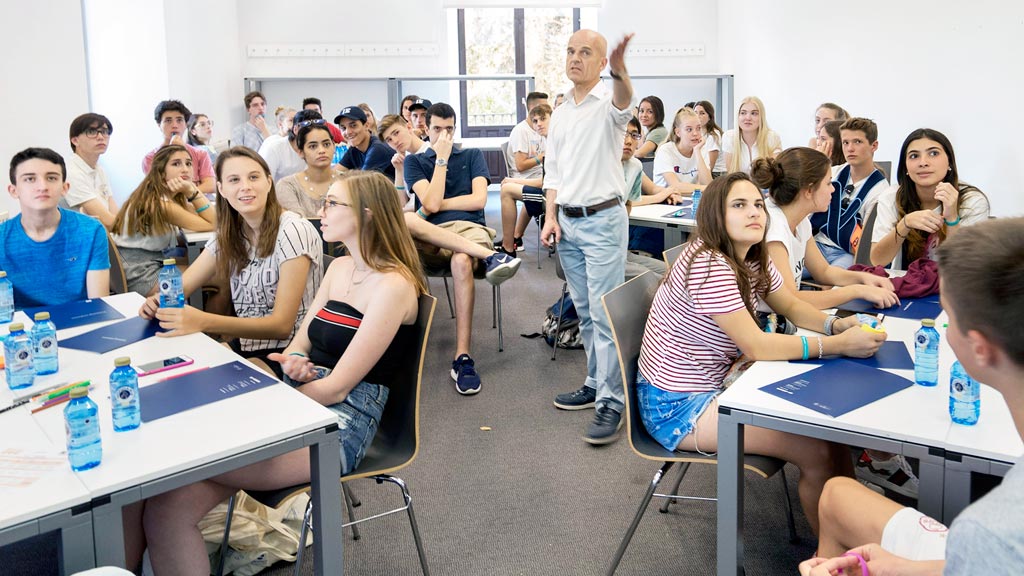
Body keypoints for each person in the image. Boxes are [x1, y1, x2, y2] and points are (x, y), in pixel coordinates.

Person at [142, 170, 425, 575]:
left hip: (342, 422)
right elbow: (297, 345)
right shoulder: (340, 268)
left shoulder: (393, 285)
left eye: (331, 203)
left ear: (366, 215)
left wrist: (271, 403)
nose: (320, 211)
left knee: (179, 463)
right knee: (166, 508)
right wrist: (292, 362)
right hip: (303, 393)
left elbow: (339, 388)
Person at [637, 172, 885, 534]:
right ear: (715, 216)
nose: (754, 213)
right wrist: (835, 346)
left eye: (757, 204)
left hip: (715, 385)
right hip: (677, 407)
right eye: (739, 205)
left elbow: (790, 305)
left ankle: (849, 541)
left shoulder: (752, 254)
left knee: (829, 438)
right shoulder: (710, 264)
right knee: (818, 449)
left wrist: (835, 327)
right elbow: (757, 345)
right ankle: (833, 556)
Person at [799, 217, 1024, 576]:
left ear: (980, 348)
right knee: (838, 494)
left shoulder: (987, 532)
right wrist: (900, 568)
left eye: (948, 315)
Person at [139, 147, 323, 377]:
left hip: (292, 354)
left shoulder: (293, 230)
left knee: (206, 385)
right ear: (221, 189)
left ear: (268, 182)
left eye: (253, 177)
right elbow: (181, 287)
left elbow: (281, 325)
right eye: (234, 180)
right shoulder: (231, 231)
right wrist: (157, 301)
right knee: (172, 375)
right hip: (248, 345)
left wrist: (203, 321)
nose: (245, 186)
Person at [541, 29, 636, 445]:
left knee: (604, 313)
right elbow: (554, 172)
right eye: (570, 51)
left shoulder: (609, 105)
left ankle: (612, 402)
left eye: (585, 53)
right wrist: (549, 216)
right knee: (584, 310)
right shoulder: (560, 110)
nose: (575, 58)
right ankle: (596, 382)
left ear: (601, 64)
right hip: (568, 223)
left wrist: (620, 69)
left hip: (602, 222)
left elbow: (624, 98)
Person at [404, 102, 517, 395]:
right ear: (425, 130)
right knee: (408, 221)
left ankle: (462, 357)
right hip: (431, 236)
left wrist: (438, 203)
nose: (445, 135)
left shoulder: (471, 155)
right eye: (438, 129)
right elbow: (428, 206)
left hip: (469, 233)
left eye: (450, 129)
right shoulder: (414, 162)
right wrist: (440, 162)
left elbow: (479, 201)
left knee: (462, 259)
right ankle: (493, 256)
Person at [376, 113, 522, 286]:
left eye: (396, 133)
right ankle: (492, 256)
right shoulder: (409, 161)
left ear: (410, 128)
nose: (394, 141)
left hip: (445, 223)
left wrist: (426, 208)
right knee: (393, 235)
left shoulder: (433, 153)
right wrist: (399, 173)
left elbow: (435, 203)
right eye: (389, 139)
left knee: (408, 226)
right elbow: (403, 205)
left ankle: (490, 255)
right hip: (426, 226)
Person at [750, 148, 899, 310]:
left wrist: (863, 278)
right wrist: (857, 291)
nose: (833, 189)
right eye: (828, 183)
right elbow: (791, 299)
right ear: (808, 190)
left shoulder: (800, 221)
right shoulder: (774, 228)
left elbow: (823, 271)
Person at [0, 148, 109, 307]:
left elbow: (98, 305)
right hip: (22, 328)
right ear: (14, 190)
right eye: (30, 179)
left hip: (81, 320)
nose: (42, 186)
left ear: (65, 188)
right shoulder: (2, 238)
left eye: (51, 178)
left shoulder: (91, 231)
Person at [870, 128, 990, 269]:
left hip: (953, 285)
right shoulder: (891, 196)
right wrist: (905, 224)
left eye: (933, 153)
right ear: (906, 167)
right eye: (914, 156)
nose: (923, 163)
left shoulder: (972, 201)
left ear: (949, 162)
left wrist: (951, 218)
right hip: (906, 284)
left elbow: (963, 265)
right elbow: (878, 260)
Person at [111, 145, 216, 295]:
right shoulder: (159, 204)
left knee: (210, 266)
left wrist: (191, 190)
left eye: (188, 163)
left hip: (149, 262)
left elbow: (212, 218)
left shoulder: (164, 196)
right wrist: (192, 191)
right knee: (220, 277)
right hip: (140, 273)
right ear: (161, 172)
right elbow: (214, 224)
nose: (185, 169)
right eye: (176, 163)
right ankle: (199, 317)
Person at [811, 117, 889, 269]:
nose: (850, 148)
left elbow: (866, 241)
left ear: (874, 146)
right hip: (816, 244)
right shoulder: (833, 173)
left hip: (846, 254)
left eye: (857, 142)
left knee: (833, 281)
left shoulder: (880, 191)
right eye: (846, 142)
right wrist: (816, 165)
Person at [497, 103, 551, 255]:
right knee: (514, 188)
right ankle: (516, 237)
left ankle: (508, 247)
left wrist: (512, 181)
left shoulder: (553, 144)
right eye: (535, 121)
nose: (539, 124)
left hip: (552, 196)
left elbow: (544, 183)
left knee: (507, 190)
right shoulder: (547, 140)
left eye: (543, 119)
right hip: (546, 187)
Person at [621, 117, 670, 278]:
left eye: (634, 135)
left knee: (675, 273)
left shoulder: (634, 166)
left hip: (621, 251)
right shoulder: (600, 165)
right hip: (600, 255)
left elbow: (629, 203)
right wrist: (660, 196)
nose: (628, 141)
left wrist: (667, 193)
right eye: (623, 134)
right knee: (666, 283)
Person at [143, 100, 215, 194]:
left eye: (179, 120)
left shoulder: (200, 154)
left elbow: (211, 185)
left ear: (186, 125)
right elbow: (159, 191)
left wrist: (189, 194)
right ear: (159, 125)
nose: (174, 125)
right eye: (168, 121)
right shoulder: (150, 158)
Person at [276, 121, 344, 216]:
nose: (321, 150)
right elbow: (297, 224)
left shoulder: (348, 181)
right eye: (313, 146)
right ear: (300, 152)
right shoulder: (288, 186)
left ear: (334, 147)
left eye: (326, 144)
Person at [63, 113, 118, 229]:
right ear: (75, 140)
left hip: (109, 234)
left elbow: (115, 214)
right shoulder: (71, 173)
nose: (101, 137)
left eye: (104, 132)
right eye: (92, 132)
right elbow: (107, 221)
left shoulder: (100, 170)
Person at [652, 107, 712, 194]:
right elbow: (675, 186)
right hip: (666, 203)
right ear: (678, 132)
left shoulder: (700, 149)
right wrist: (705, 188)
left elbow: (707, 183)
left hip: (690, 200)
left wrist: (697, 152)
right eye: (689, 129)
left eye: (698, 128)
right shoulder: (665, 151)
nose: (695, 133)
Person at [722, 96, 782, 174]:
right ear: (738, 116)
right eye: (743, 113)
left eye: (754, 113)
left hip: (765, 185)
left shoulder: (772, 138)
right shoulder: (729, 137)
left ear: (761, 117)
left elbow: (774, 174)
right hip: (739, 185)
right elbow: (731, 173)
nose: (748, 118)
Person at [335, 105, 396, 180]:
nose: (348, 132)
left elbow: (362, 183)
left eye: (353, 126)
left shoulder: (378, 148)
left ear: (366, 125)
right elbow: (335, 173)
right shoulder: (354, 149)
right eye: (343, 128)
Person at [260, 109, 320, 182]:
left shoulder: (317, 150)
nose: (313, 133)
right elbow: (264, 181)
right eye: (307, 128)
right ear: (295, 129)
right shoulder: (274, 148)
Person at [694, 100, 726, 177]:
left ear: (709, 117)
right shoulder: (698, 134)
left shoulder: (713, 135)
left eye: (702, 113)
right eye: (695, 112)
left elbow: (710, 166)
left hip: (717, 174)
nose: (697, 116)